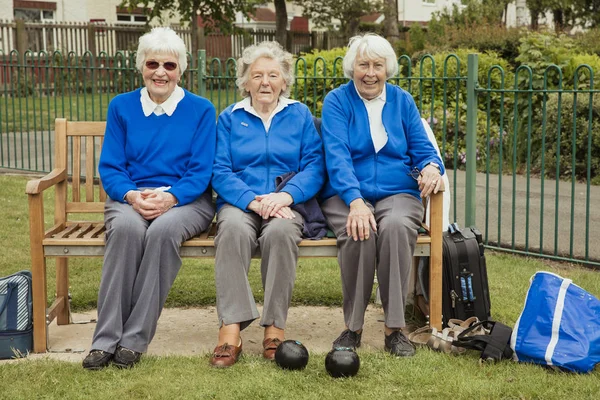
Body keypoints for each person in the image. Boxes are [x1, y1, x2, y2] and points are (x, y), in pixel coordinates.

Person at [82, 27, 217, 370]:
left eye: (169, 65)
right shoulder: (122, 107)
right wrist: (131, 195)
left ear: (181, 70)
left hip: (187, 201)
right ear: (141, 65)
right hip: (131, 197)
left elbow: (201, 173)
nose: (160, 72)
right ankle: (104, 340)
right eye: (153, 63)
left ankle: (134, 339)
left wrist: (170, 198)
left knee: (161, 232)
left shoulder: (201, 110)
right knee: (126, 230)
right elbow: (111, 167)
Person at [319, 33, 445, 357]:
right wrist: (356, 201)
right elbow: (337, 157)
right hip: (346, 194)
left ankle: (394, 329)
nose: (370, 73)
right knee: (358, 230)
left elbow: (423, 149)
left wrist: (431, 167)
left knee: (397, 227)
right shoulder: (337, 101)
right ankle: (353, 327)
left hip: (398, 192)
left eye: (377, 65)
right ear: (352, 68)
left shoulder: (402, 101)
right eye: (363, 65)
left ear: (387, 68)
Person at [209, 41, 325, 368]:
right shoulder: (230, 118)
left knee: (282, 234)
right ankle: (230, 328)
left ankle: (275, 327)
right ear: (244, 81)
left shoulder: (299, 115)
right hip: (241, 201)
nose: (264, 82)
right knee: (230, 229)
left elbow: (315, 166)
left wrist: (285, 197)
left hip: (285, 200)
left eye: (273, 75)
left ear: (284, 82)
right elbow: (219, 170)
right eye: (256, 75)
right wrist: (252, 201)